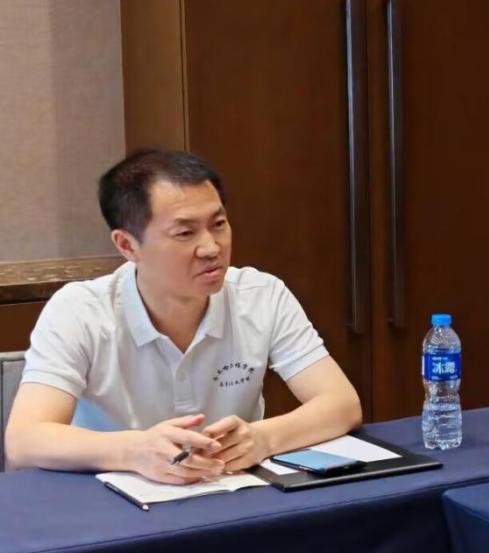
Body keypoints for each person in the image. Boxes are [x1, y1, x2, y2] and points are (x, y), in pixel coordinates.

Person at [4, 149, 362, 484]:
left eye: (218, 224)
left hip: (233, 494)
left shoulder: (261, 296)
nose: (211, 248)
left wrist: (262, 438)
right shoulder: (79, 311)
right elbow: (24, 440)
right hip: (112, 502)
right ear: (127, 245)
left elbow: (342, 404)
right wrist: (134, 451)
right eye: (185, 233)